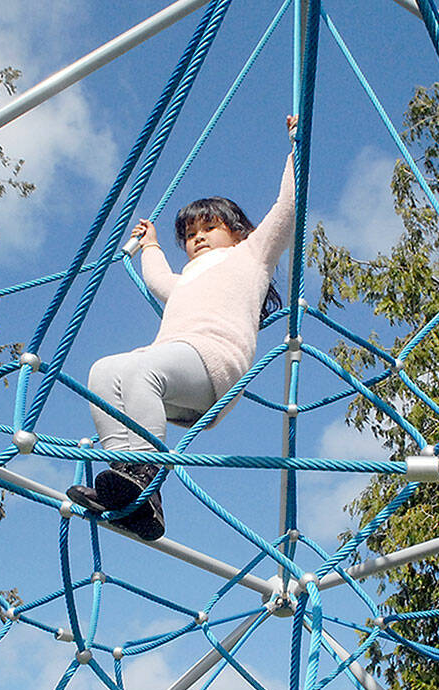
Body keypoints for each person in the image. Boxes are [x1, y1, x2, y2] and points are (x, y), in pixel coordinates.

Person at [67, 115, 299, 541]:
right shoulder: (187, 278)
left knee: (142, 370)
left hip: (215, 365)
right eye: (191, 234)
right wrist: (152, 245)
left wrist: (294, 149)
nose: (199, 238)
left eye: (210, 227)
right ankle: (127, 484)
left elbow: (286, 210)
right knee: (102, 372)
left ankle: (145, 477)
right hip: (175, 372)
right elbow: (159, 280)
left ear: (237, 231)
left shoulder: (251, 256)